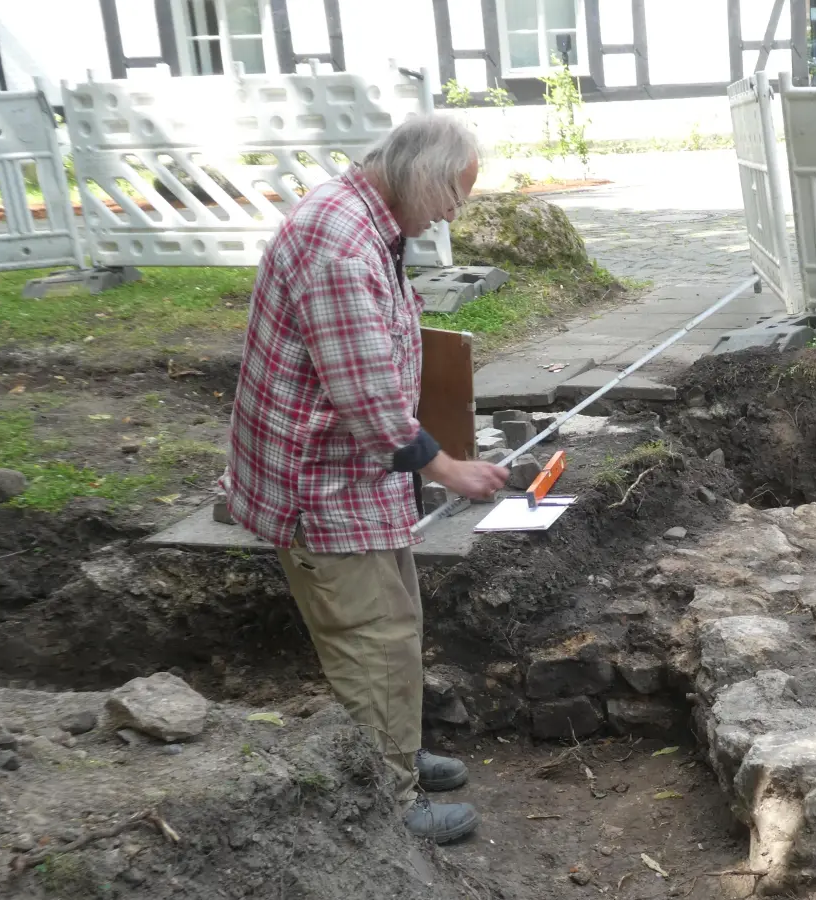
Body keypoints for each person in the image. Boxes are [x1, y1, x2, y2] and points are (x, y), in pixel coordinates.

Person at [221, 114, 508, 843]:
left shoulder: (363, 221)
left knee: (396, 618)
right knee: (371, 637)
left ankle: (400, 753)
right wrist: (450, 471)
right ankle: (391, 799)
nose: (452, 215)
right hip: (322, 486)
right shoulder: (340, 245)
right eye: (451, 198)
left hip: (353, 478)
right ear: (419, 178)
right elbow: (369, 405)